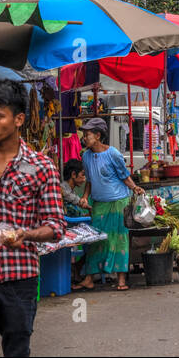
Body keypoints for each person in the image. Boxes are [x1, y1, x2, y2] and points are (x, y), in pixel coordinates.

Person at [0, 80, 65, 357]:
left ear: (19, 119)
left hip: (20, 279)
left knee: (17, 350)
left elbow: (55, 226)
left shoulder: (41, 167)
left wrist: (26, 234)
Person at [75, 117, 144, 291]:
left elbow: (124, 176)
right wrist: (84, 197)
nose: (84, 137)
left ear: (98, 135)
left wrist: (135, 188)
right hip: (99, 204)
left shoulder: (112, 154)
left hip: (119, 202)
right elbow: (89, 181)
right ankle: (89, 278)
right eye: (84, 134)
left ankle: (121, 279)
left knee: (119, 240)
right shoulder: (86, 156)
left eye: (88, 134)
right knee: (96, 240)